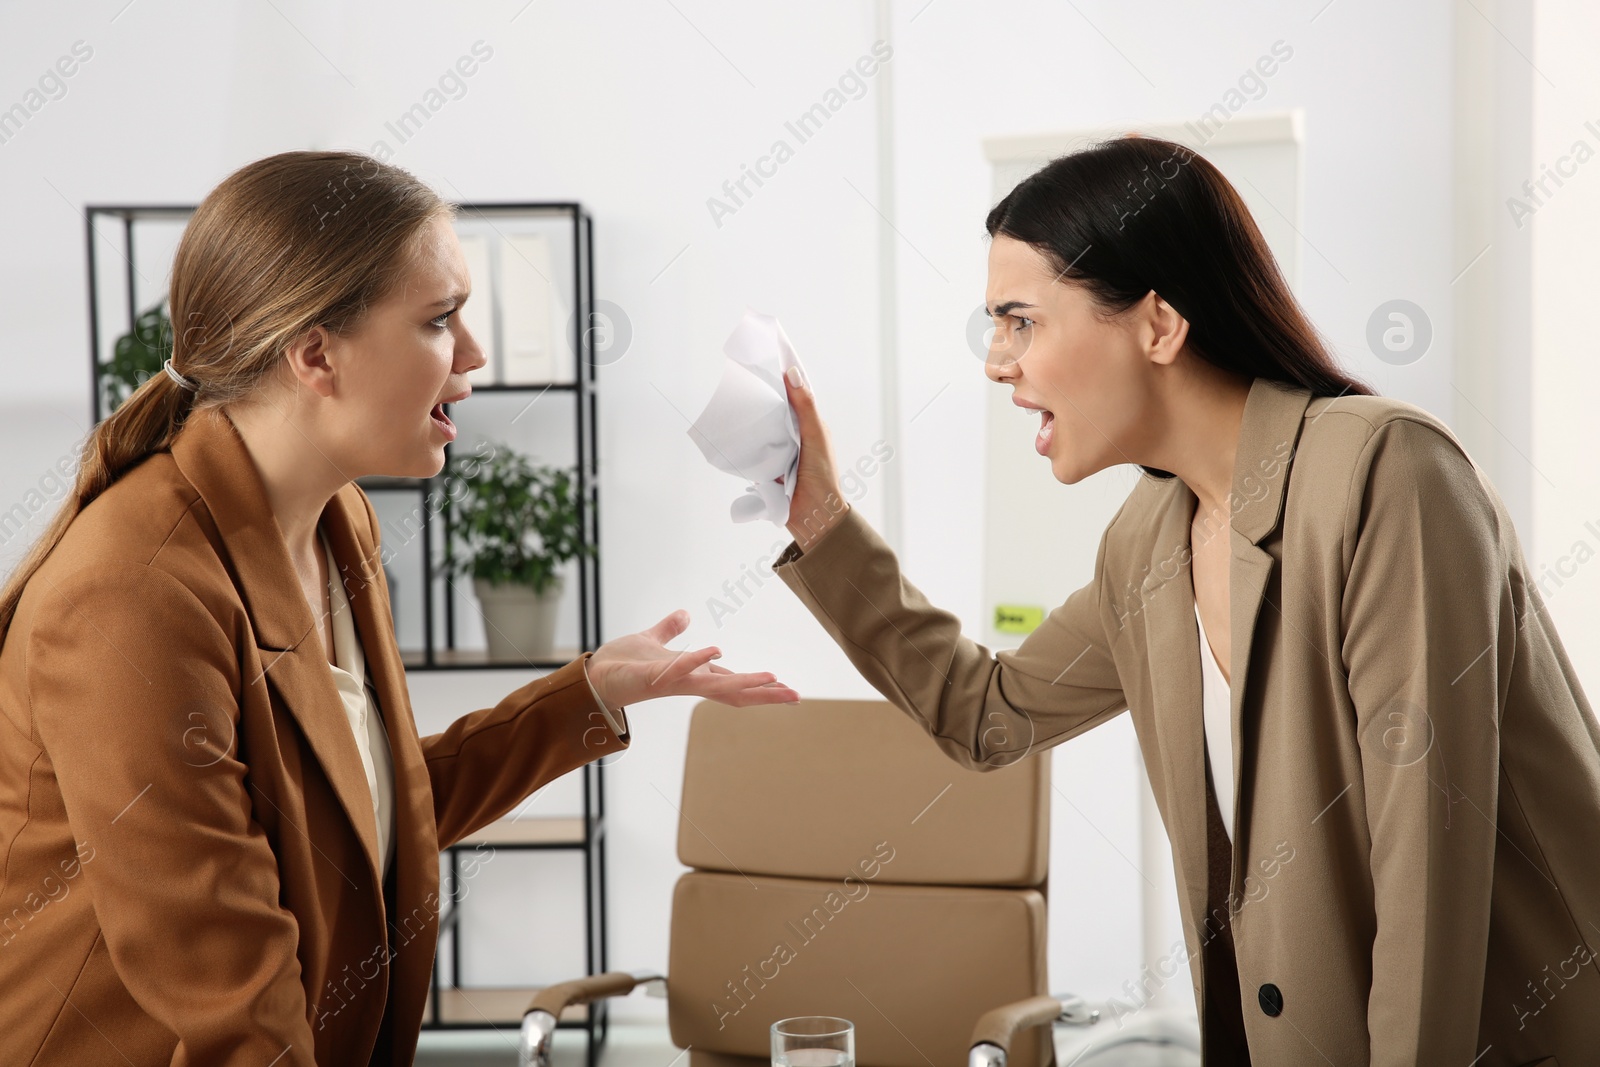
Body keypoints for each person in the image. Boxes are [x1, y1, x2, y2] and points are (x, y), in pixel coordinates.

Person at [769, 136, 1600, 1065]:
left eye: (1021, 322)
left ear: (1158, 325)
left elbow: (1428, 885)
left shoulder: (1385, 473)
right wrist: (823, 521)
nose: (998, 362)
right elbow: (985, 715)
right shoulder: (1148, 541)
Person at [0, 150, 799, 1066]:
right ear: (315, 354)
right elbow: (232, 996)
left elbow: (365, 815)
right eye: (440, 320)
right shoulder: (131, 599)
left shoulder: (338, 523)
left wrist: (589, 694)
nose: (475, 354)